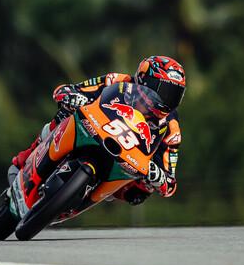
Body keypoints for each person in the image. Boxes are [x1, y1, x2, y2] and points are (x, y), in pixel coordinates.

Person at [9, 55, 185, 205]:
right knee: (65, 113)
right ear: (143, 79)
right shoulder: (117, 81)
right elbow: (74, 89)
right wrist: (72, 97)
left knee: (140, 192)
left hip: (128, 159)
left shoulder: (171, 126)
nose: (166, 100)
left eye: (174, 95)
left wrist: (159, 178)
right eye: (163, 91)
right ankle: (26, 159)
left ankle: (89, 197)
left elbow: (170, 181)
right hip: (93, 128)